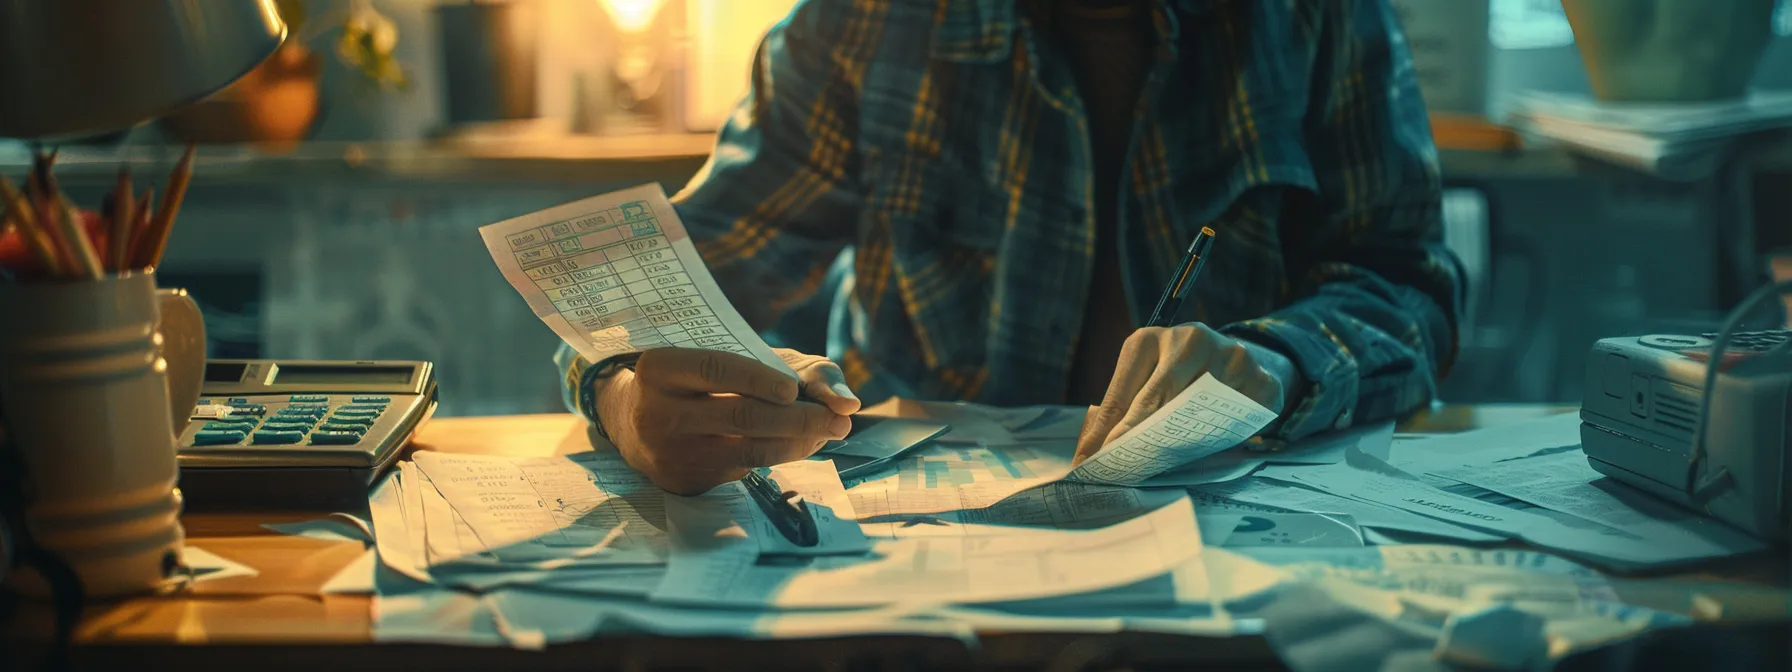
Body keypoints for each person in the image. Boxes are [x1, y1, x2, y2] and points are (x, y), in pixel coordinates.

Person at [556, 0, 1464, 495]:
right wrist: (628, 396)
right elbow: (650, 284)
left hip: (1239, 537)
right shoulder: (862, 24)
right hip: (906, 558)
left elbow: (1408, 283)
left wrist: (1277, 360)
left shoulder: (1322, 19)